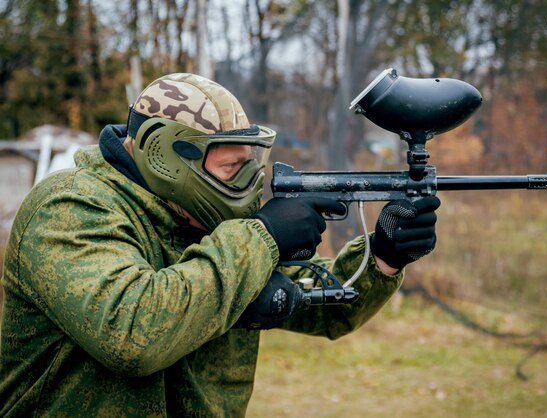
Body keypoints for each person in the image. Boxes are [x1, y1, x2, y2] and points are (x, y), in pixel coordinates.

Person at [0, 73, 440, 417]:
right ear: (165, 156)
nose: (247, 184)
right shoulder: (70, 207)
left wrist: (382, 256)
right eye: (231, 167)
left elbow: (316, 301)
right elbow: (132, 334)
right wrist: (262, 236)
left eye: (249, 165)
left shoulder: (205, 218)